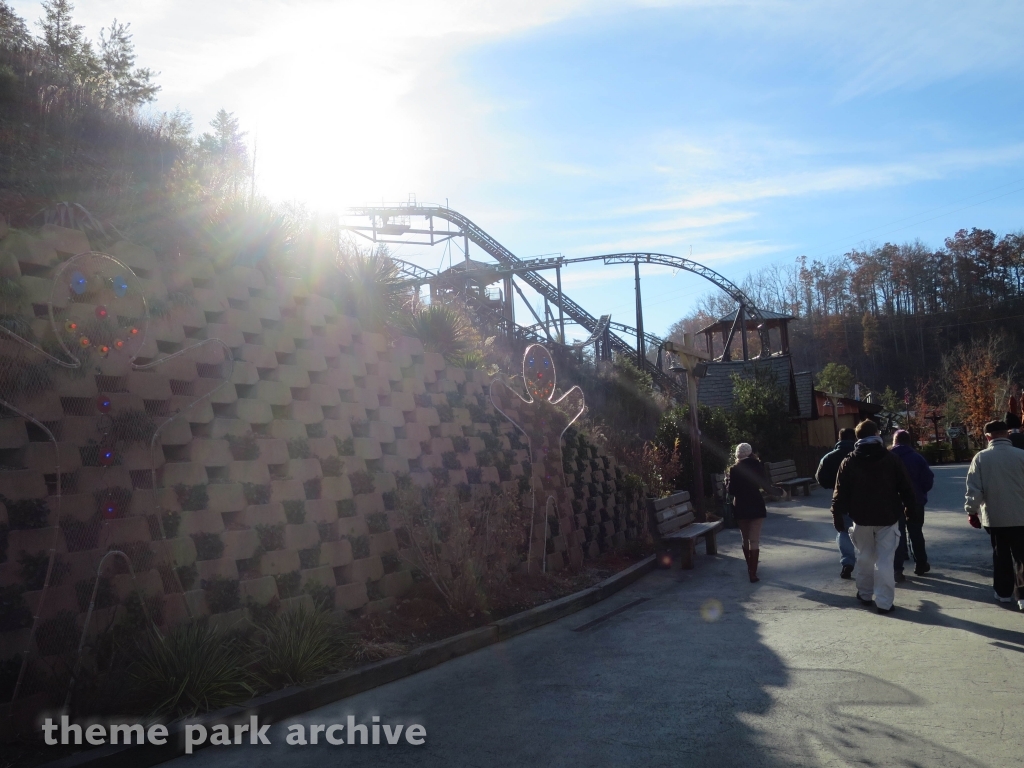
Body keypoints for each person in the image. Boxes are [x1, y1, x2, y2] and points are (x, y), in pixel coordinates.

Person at [831, 419, 916, 614]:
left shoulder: (849, 460)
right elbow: (906, 487)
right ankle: (885, 602)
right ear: (877, 434)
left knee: (864, 556)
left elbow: (839, 492)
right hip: (888, 516)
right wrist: (910, 509)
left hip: (860, 517)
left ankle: (865, 593)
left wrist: (837, 514)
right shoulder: (891, 458)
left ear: (857, 438)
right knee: (885, 560)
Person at [965, 420, 1024, 611]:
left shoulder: (981, 458)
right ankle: (1023, 596)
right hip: (1021, 515)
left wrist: (971, 511)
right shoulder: (1021, 455)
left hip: (995, 516)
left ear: (987, 436)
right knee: (1022, 556)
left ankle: (1003, 592)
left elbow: (975, 489)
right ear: (1007, 434)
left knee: (1001, 555)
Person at [726, 443, 780, 583]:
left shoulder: (734, 469)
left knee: (745, 539)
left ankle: (749, 566)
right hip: (756, 505)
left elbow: (731, 491)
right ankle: (753, 573)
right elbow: (765, 485)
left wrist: (727, 483)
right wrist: (779, 491)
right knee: (754, 540)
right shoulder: (757, 465)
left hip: (741, 507)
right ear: (750, 453)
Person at [816, 427, 857, 579]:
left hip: (840, 499)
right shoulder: (859, 455)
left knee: (844, 531)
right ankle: (871, 561)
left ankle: (847, 562)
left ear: (839, 439)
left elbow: (820, 478)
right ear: (854, 438)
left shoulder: (829, 457)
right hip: (862, 498)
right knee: (866, 529)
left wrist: (832, 486)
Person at [890, 430, 933, 576]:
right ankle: (920, 563)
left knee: (897, 534)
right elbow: (927, 480)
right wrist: (921, 492)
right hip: (915, 500)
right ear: (909, 441)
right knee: (916, 532)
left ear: (894, 441)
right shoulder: (917, 458)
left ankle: (898, 568)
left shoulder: (888, 458)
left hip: (894, 502)